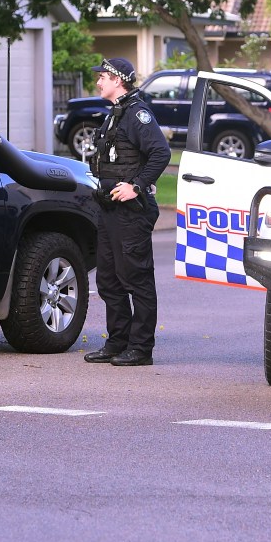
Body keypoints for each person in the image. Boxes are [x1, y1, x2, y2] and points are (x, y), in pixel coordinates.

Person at [82, 57, 171, 367]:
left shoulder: (138, 114)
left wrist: (137, 185)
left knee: (136, 278)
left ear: (118, 80)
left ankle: (141, 348)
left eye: (103, 76)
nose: (98, 81)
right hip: (110, 208)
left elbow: (161, 153)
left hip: (131, 210)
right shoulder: (116, 114)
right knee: (108, 279)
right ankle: (117, 341)